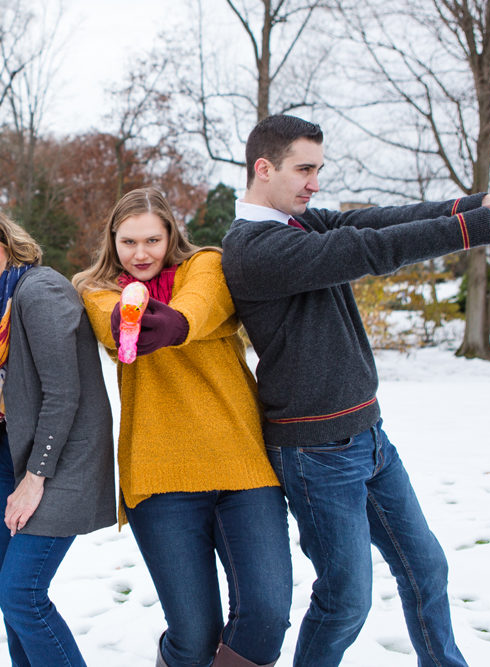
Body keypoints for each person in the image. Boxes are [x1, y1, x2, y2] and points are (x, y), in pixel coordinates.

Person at [221, 114, 490, 667]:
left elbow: (386, 221)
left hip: (368, 436)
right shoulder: (251, 249)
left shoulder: (299, 223)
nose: (315, 182)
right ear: (263, 168)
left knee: (425, 567)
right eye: (304, 169)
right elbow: (372, 250)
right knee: (345, 603)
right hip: (315, 453)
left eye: (319, 169)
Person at [72, 187, 292, 667]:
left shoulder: (207, 266)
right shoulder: (94, 289)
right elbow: (116, 328)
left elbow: (198, 307)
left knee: (268, 615)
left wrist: (173, 324)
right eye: (128, 242)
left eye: (152, 239)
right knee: (194, 639)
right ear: (113, 240)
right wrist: (131, 317)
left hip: (243, 466)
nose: (141, 253)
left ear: (171, 233)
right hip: (159, 475)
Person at [0, 202, 116, 667]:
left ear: (7, 241)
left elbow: (62, 393)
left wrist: (34, 479)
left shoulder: (40, 291)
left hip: (59, 462)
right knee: (13, 602)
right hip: (10, 457)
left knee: (22, 596)